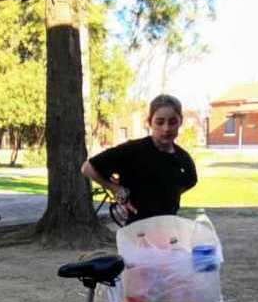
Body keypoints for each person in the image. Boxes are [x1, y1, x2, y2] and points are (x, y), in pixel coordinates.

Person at [81, 94, 197, 224]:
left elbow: (191, 181)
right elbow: (87, 168)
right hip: (136, 230)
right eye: (159, 122)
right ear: (149, 122)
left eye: (172, 122)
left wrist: (168, 194)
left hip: (168, 229)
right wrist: (115, 189)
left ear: (180, 121)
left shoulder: (183, 157)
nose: (166, 128)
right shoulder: (132, 150)